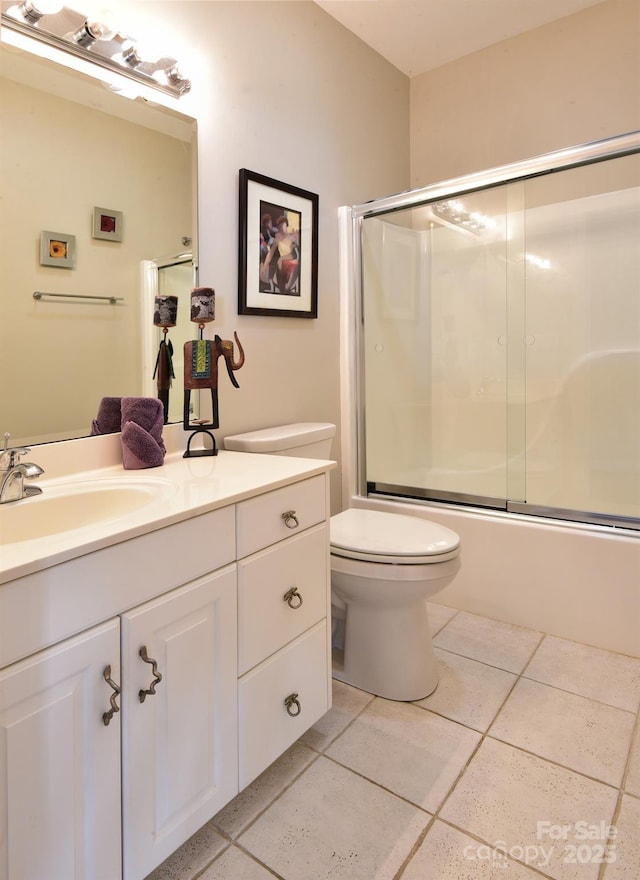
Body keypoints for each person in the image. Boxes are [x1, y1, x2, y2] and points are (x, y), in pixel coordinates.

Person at [261, 214, 299, 294]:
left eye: (283, 225)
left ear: (286, 225)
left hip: (293, 259)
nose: (282, 228)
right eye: (280, 226)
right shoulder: (278, 237)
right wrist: (264, 266)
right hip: (283, 262)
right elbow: (271, 253)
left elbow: (298, 251)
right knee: (280, 261)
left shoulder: (292, 237)